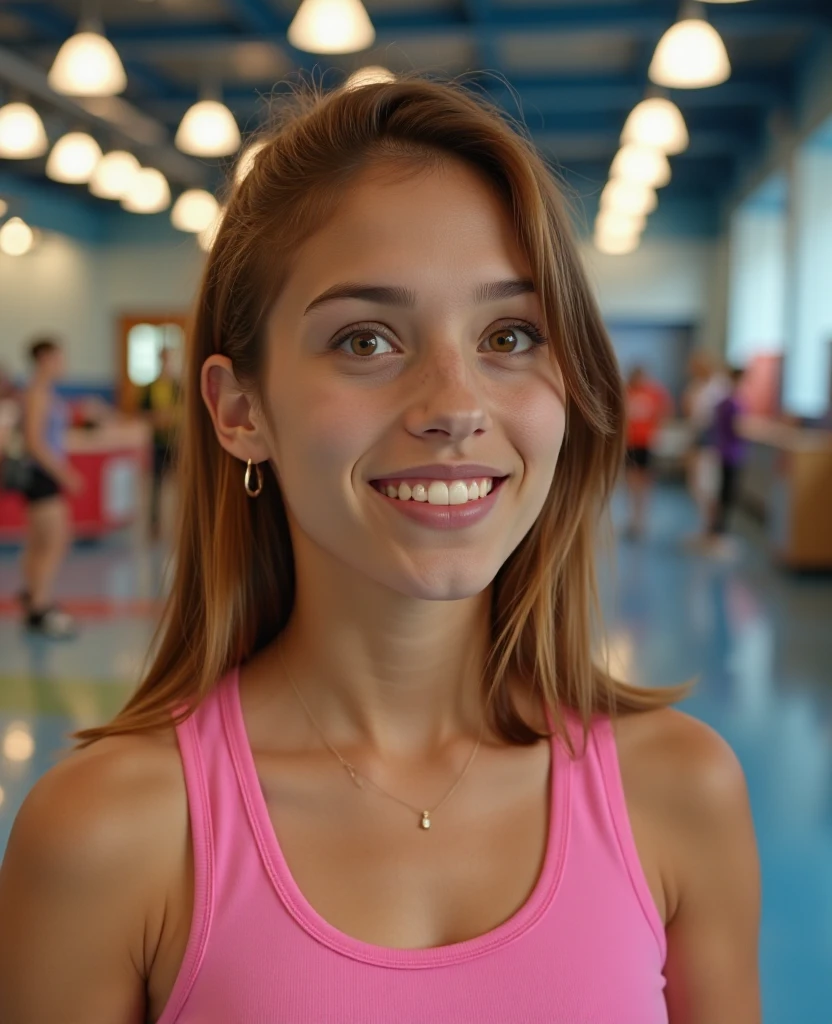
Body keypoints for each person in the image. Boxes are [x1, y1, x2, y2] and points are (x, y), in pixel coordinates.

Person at [0, 80, 760, 1023]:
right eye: (366, 339)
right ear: (242, 411)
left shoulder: (681, 792)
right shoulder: (109, 837)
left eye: (510, 334)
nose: (453, 404)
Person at [15, 337, 82, 638]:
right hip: (42, 477)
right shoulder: (37, 393)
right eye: (59, 357)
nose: (63, 363)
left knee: (39, 541)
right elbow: (34, 442)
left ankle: (33, 597)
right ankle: (40, 609)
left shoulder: (44, 392)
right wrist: (65, 473)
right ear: (44, 358)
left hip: (45, 475)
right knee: (54, 542)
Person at [682, 351, 730, 538]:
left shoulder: (720, 386)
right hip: (698, 438)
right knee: (697, 486)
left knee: (709, 485)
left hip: (712, 441)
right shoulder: (696, 386)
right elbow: (690, 413)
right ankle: (704, 527)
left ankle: (712, 530)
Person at [623, 365, 672, 540]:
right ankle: (632, 519)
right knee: (631, 481)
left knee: (644, 482)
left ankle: (641, 520)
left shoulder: (654, 393)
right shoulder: (626, 391)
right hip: (629, 443)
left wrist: (656, 430)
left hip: (646, 443)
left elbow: (664, 413)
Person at [140, 346, 181, 539]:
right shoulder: (150, 388)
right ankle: (154, 525)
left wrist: (172, 417)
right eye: (163, 359)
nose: (166, 363)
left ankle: (181, 521)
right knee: (156, 486)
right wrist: (157, 418)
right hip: (157, 443)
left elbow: (186, 413)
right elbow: (143, 414)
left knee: (180, 485)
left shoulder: (179, 386)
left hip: (176, 442)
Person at [708, 367, 747, 555]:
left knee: (722, 491)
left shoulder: (723, 402)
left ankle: (717, 531)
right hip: (731, 453)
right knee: (727, 493)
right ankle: (719, 533)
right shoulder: (733, 403)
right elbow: (737, 428)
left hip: (723, 450)